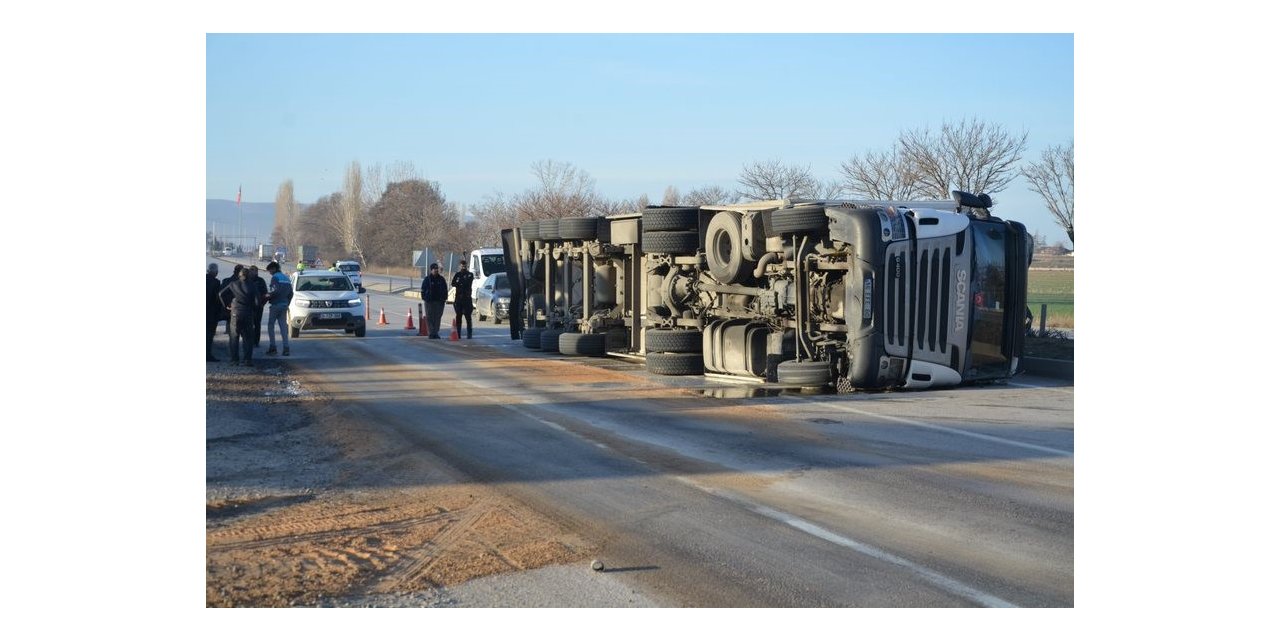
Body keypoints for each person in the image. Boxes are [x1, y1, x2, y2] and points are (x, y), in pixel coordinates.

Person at [220, 266, 259, 365]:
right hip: (248, 313)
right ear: (248, 275)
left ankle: (234, 360)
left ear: (239, 275)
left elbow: (221, 294)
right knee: (248, 338)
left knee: (234, 337)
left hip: (235, 313)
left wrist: (227, 306)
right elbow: (257, 302)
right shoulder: (253, 285)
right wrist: (254, 309)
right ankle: (247, 360)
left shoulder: (233, 284)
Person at [264, 261, 292, 356]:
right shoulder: (286, 278)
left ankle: (273, 347)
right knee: (283, 327)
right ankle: (286, 348)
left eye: (270, 270)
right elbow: (291, 293)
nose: (270, 273)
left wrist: (267, 296)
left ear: (274, 269)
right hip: (284, 305)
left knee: (270, 325)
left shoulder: (275, 278)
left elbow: (274, 291)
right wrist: (287, 302)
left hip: (276, 305)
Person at [421, 263, 448, 339]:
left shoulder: (441, 279)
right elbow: (423, 290)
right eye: (434, 269)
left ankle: (435, 332)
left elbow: (445, 290)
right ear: (431, 270)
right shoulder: (427, 279)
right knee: (429, 317)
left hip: (439, 301)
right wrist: (425, 298)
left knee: (437, 317)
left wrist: (444, 298)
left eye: (437, 269)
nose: (436, 270)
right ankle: (431, 332)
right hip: (429, 301)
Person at [450, 259, 475, 339]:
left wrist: (460, 283)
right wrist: (460, 282)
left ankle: (469, 333)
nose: (463, 267)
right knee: (458, 317)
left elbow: (467, 283)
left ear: (466, 266)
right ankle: (458, 333)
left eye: (464, 266)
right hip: (459, 299)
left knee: (468, 317)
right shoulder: (457, 274)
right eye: (462, 266)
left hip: (467, 299)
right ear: (460, 266)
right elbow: (453, 283)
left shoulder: (470, 274)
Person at [246, 265, 269, 350]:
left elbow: (265, 294)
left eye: (254, 271)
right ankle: (249, 341)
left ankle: (256, 341)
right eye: (251, 271)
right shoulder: (247, 280)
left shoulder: (260, 281)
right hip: (248, 307)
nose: (252, 272)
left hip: (258, 307)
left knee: (257, 324)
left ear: (257, 272)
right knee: (248, 325)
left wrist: (263, 304)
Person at [220, 264, 244, 335]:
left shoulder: (226, 280)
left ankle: (228, 330)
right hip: (239, 307)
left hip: (229, 305)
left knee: (230, 319)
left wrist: (225, 305)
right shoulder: (242, 282)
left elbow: (221, 294)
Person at [206, 263, 222, 362]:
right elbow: (217, 299)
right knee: (209, 335)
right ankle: (207, 355)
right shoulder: (216, 282)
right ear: (215, 272)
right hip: (211, 313)